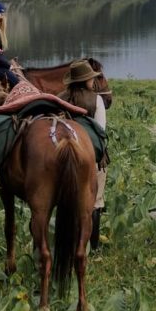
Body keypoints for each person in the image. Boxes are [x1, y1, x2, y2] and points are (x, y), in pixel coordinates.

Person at [58, 58, 108, 252]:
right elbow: (101, 131)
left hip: (63, 158)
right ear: (87, 80)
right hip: (92, 159)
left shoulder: (60, 97)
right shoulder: (96, 100)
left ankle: (66, 241)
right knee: (95, 201)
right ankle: (92, 247)